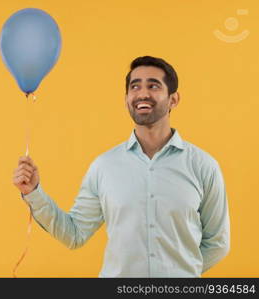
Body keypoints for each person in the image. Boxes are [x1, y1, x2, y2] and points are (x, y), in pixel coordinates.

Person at [12, 56, 230, 277]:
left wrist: (180, 273)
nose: (143, 94)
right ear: (127, 99)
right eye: (135, 86)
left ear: (173, 99)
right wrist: (34, 193)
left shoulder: (203, 166)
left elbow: (218, 242)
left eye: (153, 85)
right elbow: (74, 234)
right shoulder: (104, 167)